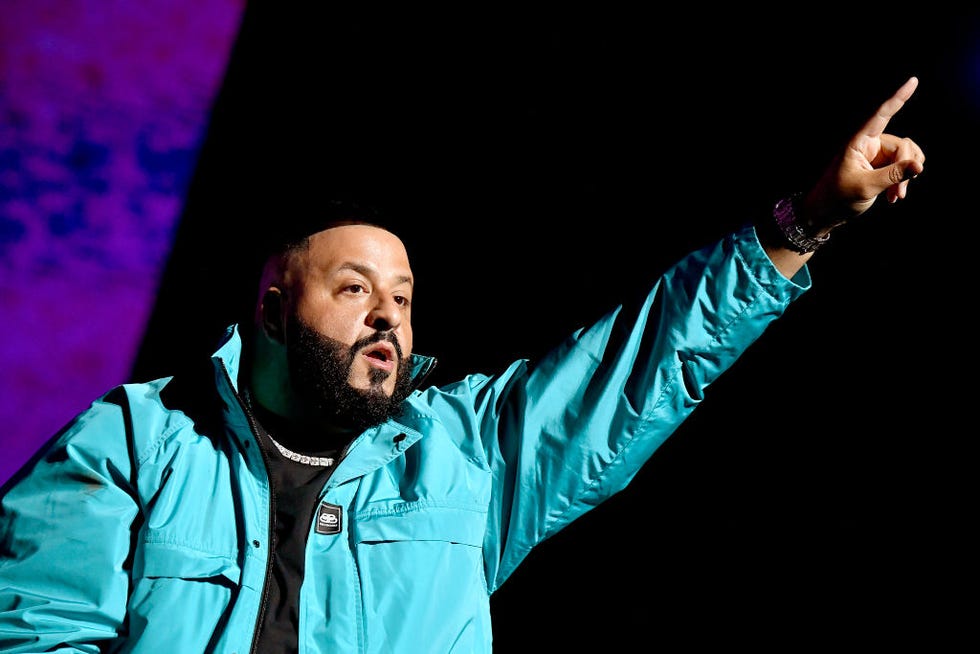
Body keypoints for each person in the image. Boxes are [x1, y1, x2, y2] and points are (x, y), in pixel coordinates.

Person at [0, 76, 925, 653]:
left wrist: (807, 223)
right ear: (273, 310)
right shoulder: (136, 441)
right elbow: (33, 632)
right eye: (355, 291)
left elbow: (639, 367)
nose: (387, 321)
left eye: (401, 298)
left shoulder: (460, 456)